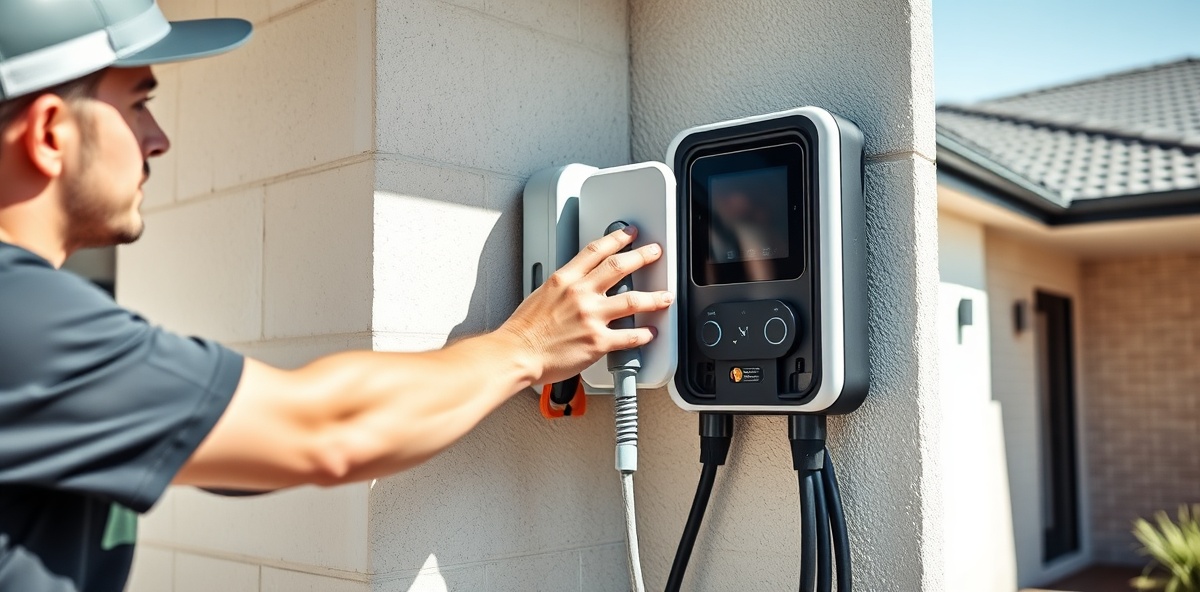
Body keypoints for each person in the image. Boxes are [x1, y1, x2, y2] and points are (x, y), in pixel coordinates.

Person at [0, 2, 673, 590]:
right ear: (50, 132)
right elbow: (323, 429)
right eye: (137, 104)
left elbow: (269, 440)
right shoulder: (24, 323)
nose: (159, 139)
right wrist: (524, 347)